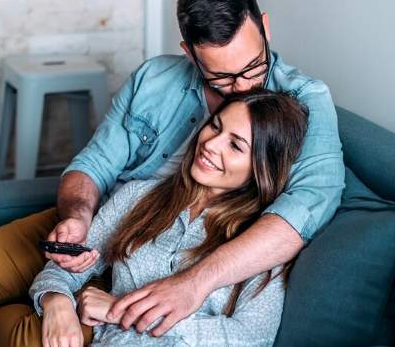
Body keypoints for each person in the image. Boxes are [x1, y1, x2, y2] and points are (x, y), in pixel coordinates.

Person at [0, 0, 344, 346]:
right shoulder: (155, 80)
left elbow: (303, 212)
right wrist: (77, 218)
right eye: (223, 79)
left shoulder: (302, 105)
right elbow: (92, 166)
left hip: (142, 276)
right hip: (104, 227)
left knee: (39, 336)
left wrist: (191, 286)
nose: (244, 87)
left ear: (264, 25)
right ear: (190, 55)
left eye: (253, 68)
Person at [34, 89, 307, 347]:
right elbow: (70, 264)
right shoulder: (137, 196)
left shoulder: (262, 240)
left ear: (262, 168)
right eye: (215, 126)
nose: (211, 144)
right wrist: (55, 300)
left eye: (235, 145)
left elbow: (253, 337)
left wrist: (123, 311)